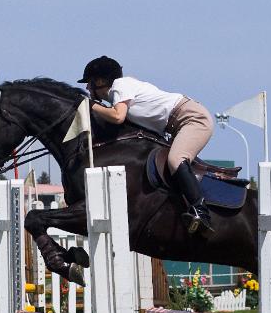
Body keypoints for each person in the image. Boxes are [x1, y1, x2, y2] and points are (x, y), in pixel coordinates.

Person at [78, 56, 214, 235]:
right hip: (178, 122)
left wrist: (91, 106)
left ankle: (201, 211)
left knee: (175, 159)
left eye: (89, 83)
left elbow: (118, 117)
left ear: (100, 81)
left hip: (192, 119)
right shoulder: (121, 92)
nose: (87, 88)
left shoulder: (120, 86)